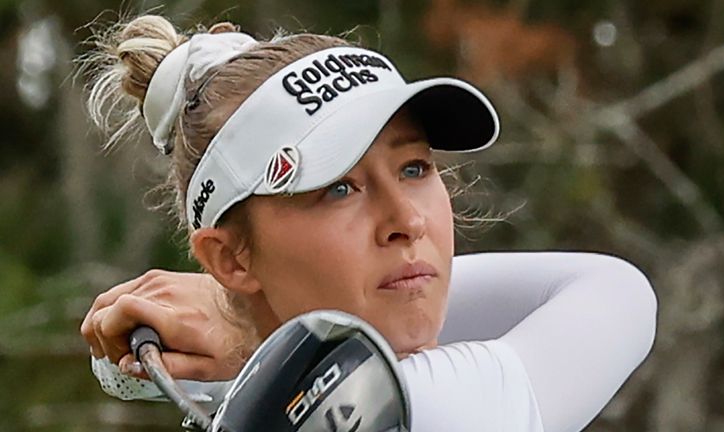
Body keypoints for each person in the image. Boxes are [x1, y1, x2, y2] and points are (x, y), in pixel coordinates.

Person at [79, 14, 657, 432]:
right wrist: (279, 346)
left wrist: (268, 340)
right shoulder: (421, 406)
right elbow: (616, 291)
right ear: (230, 259)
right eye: (338, 188)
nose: (406, 220)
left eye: (413, 167)